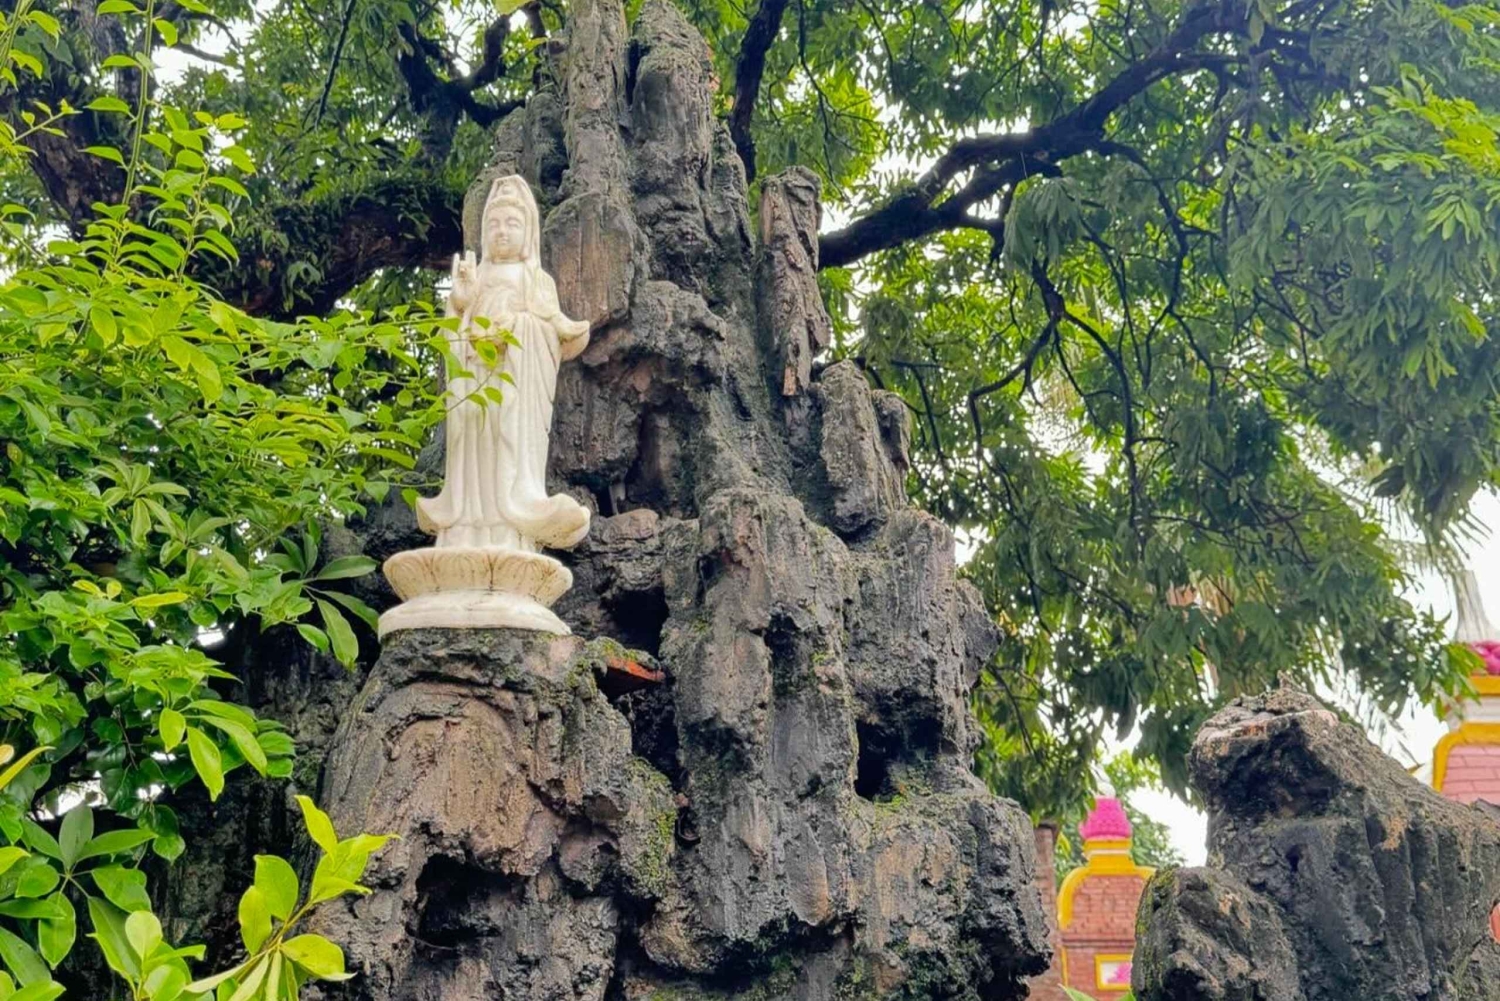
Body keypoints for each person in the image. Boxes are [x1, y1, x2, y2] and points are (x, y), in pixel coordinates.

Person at [416, 175, 591, 553]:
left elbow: (553, 332)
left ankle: (509, 522)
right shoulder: (476, 278)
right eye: (493, 224)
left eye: (512, 223)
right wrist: (460, 304)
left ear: (528, 232)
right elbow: (451, 335)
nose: (501, 232)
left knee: (505, 452)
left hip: (513, 386)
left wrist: (516, 328)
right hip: (474, 382)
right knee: (474, 450)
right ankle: (466, 526)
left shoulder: (536, 280)